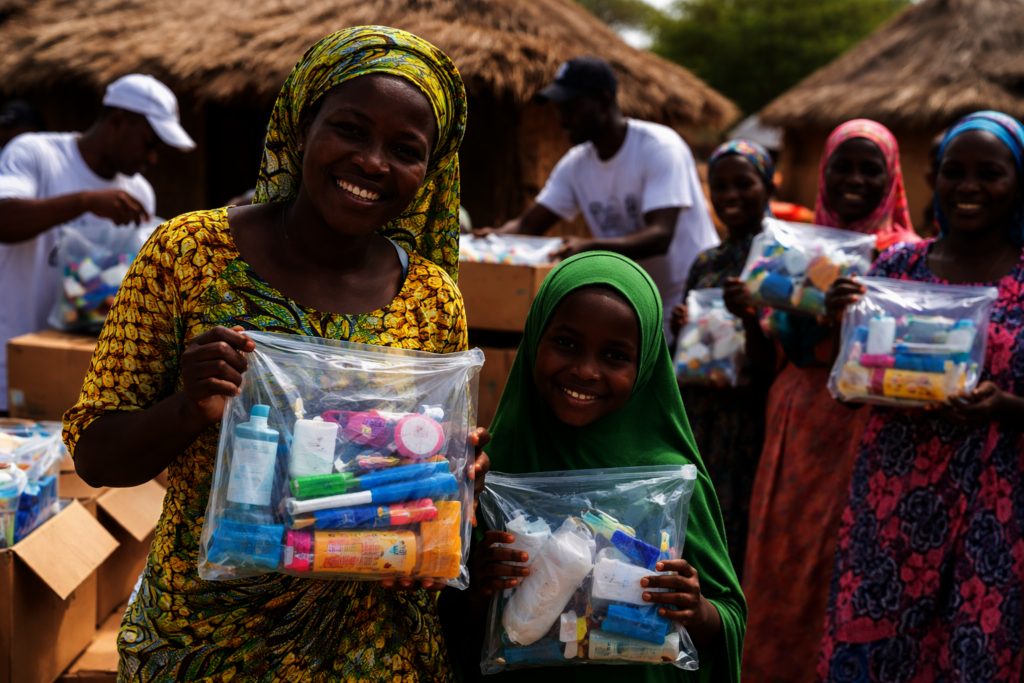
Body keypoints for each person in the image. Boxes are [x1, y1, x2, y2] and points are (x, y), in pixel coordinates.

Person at [62, 28, 488, 682]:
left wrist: (449, 481)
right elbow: (94, 454)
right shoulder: (190, 256)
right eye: (351, 129)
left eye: (406, 149)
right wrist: (189, 408)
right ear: (300, 122)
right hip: (204, 644)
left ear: (431, 170)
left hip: (371, 653)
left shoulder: (431, 298)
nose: (374, 162)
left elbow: (421, 491)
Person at [449, 251, 745, 683]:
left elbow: (729, 618)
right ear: (533, 338)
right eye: (566, 343)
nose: (586, 370)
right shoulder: (495, 468)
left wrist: (694, 609)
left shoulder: (670, 479)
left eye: (615, 355)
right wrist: (480, 588)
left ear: (645, 365)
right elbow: (451, 620)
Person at [818, 111, 1024, 682]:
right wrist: (845, 323)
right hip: (891, 503)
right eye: (953, 171)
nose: (968, 186)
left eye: (991, 172)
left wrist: (1004, 408)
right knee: (877, 649)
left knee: (973, 654)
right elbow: (851, 392)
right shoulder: (898, 268)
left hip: (996, 508)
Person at [738, 120, 920, 683]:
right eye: (843, 165)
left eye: (871, 168)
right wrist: (770, 308)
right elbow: (771, 352)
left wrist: (862, 315)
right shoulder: (797, 247)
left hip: (871, 425)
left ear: (893, 178)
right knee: (786, 557)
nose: (855, 179)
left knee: (854, 554)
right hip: (799, 416)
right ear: (823, 172)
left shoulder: (911, 260)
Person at [476, 57, 720, 337]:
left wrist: (588, 249)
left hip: (692, 299)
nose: (561, 118)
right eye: (559, 109)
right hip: (638, 303)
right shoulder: (576, 164)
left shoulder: (658, 147)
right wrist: (490, 240)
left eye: (571, 108)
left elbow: (659, 236)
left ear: (603, 102)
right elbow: (527, 226)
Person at [0, 74, 195, 416]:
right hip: (10, 366)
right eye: (149, 143)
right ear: (118, 121)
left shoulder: (138, 192)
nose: (153, 159)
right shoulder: (36, 153)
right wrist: (84, 202)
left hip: (80, 374)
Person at [668, 139, 775, 578]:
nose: (731, 194)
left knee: (742, 523)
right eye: (719, 185)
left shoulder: (778, 257)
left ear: (766, 184)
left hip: (751, 420)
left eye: (743, 183)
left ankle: (732, 617)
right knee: (699, 520)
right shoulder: (707, 261)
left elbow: (781, 357)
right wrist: (685, 329)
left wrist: (750, 318)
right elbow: (691, 350)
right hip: (702, 413)